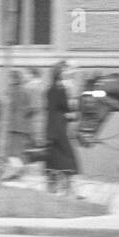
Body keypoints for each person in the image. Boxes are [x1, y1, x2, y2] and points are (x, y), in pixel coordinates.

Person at [44, 61, 80, 195]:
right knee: (67, 157)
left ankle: (55, 187)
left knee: (55, 157)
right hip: (60, 127)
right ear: (59, 73)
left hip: (52, 127)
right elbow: (68, 108)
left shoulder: (51, 89)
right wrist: (71, 114)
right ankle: (68, 189)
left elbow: (53, 109)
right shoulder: (61, 89)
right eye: (65, 71)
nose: (67, 73)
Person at [0, 70, 34, 182]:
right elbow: (30, 108)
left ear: (14, 79)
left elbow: (8, 106)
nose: (8, 80)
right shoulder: (25, 91)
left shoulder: (12, 92)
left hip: (13, 125)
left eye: (10, 78)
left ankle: (15, 171)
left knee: (11, 151)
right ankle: (15, 172)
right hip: (22, 125)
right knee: (18, 150)